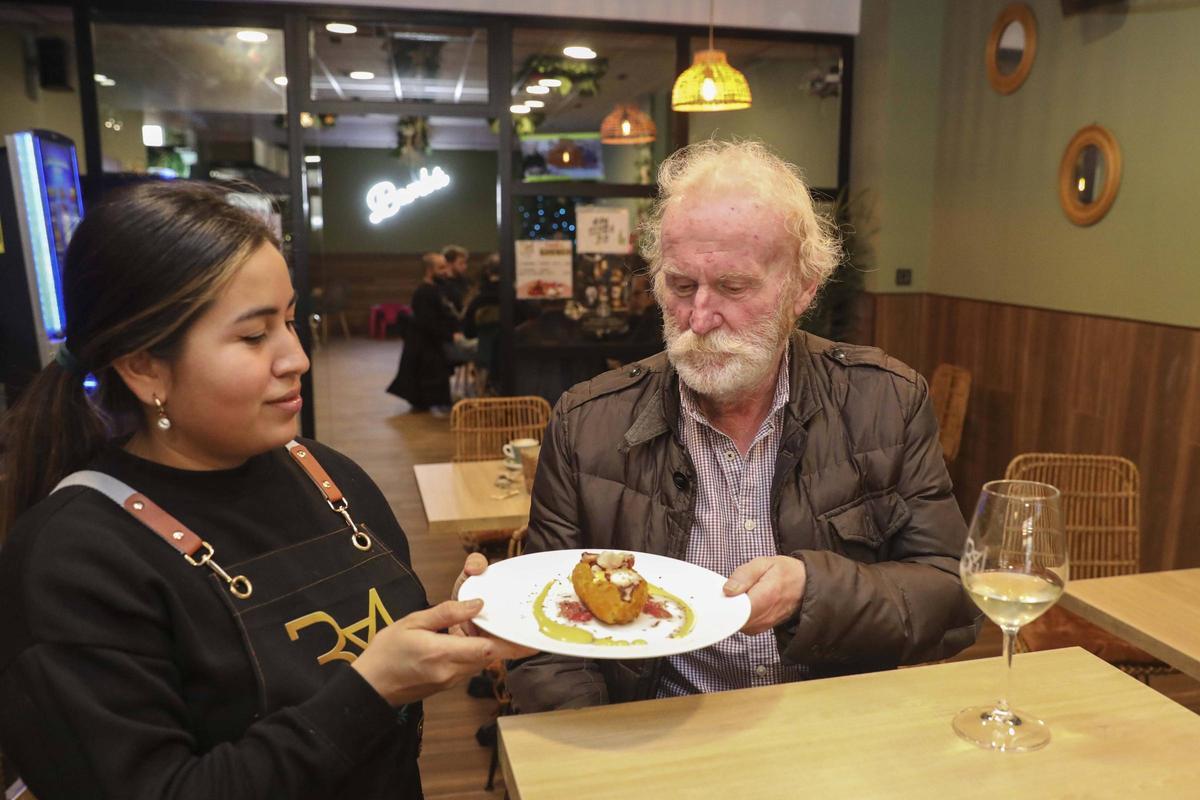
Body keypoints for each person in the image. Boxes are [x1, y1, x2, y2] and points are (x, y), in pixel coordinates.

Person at [0, 182, 531, 799]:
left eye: (289, 320)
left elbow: (373, 650)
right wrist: (370, 691)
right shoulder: (72, 561)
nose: (297, 357)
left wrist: (451, 627)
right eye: (254, 336)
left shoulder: (328, 475)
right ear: (144, 366)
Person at [508, 140, 980, 711]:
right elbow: (544, 640)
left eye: (733, 287)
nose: (700, 317)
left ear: (803, 288)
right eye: (681, 286)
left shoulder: (885, 402)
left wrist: (815, 591)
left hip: (836, 728)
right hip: (660, 728)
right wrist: (601, 744)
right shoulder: (585, 425)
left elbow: (954, 602)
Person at [386, 252, 461, 413]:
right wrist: (449, 335)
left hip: (432, 339)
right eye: (441, 268)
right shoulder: (423, 292)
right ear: (429, 270)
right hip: (424, 342)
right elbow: (428, 322)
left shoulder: (438, 288)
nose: (445, 271)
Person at [441, 244, 471, 316]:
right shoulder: (441, 283)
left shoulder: (466, 281)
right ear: (449, 263)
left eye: (465, 263)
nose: (465, 266)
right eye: (461, 263)